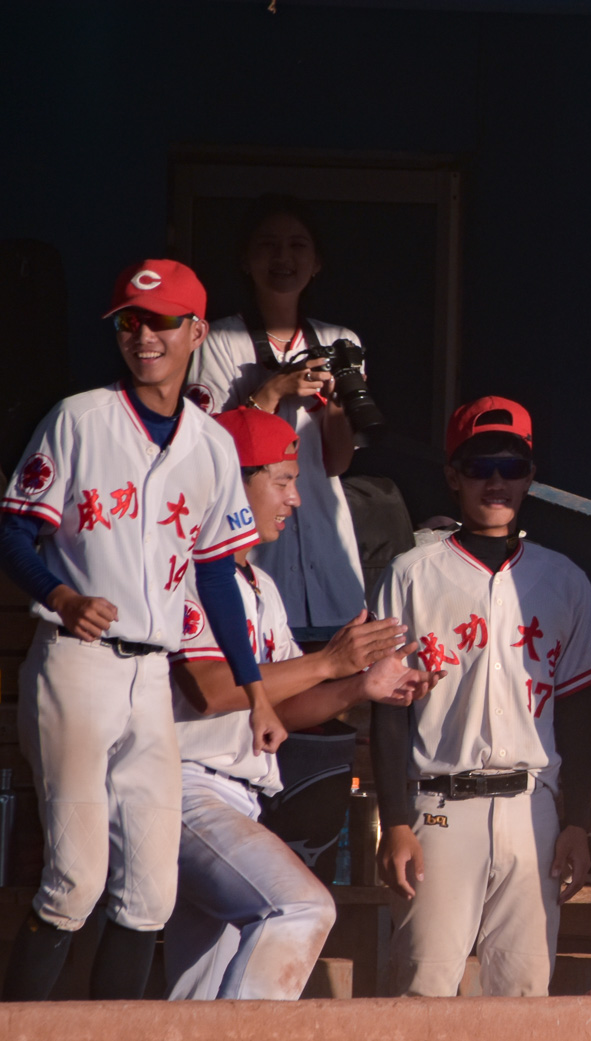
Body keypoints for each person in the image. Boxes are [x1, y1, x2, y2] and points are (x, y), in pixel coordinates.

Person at [0, 259, 281, 1002]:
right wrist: (59, 593)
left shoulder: (214, 445)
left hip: (151, 674)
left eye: (160, 321)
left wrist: (256, 688)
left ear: (195, 330)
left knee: (152, 891)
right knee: (75, 879)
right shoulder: (80, 417)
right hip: (77, 662)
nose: (144, 335)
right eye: (131, 320)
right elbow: (13, 532)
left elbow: (217, 572)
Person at [163, 406, 429, 1000]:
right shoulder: (185, 570)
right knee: (301, 907)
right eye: (282, 481)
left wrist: (359, 686)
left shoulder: (261, 584)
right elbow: (208, 691)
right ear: (234, 483)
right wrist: (330, 661)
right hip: (182, 788)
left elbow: (282, 710)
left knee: (200, 995)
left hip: (238, 793)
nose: (296, 498)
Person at [371, 396, 591, 996]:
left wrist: (578, 823)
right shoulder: (410, 573)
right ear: (454, 475)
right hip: (440, 804)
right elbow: (386, 710)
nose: (498, 481)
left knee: (525, 994)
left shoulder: (564, 578)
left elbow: (578, 712)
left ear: (531, 475)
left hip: (532, 808)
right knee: (424, 988)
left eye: (512, 466)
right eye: (481, 466)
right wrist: (397, 822)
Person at [185, 195, 370, 643]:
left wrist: (338, 408)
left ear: (317, 261)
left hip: (325, 541)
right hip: (252, 547)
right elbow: (210, 452)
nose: (283, 258)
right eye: (267, 245)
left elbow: (338, 463)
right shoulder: (219, 339)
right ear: (246, 261)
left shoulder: (339, 340)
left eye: (297, 245)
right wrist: (272, 391)